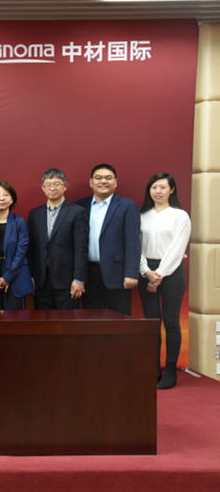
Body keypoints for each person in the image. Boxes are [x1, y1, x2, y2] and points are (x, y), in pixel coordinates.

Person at [138, 173, 191, 389]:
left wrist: (158, 274)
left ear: (172, 189)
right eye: (154, 187)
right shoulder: (142, 215)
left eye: (162, 187)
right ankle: (154, 369)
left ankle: (170, 371)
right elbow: (135, 246)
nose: (158, 191)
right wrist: (146, 272)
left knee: (171, 322)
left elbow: (177, 249)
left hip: (171, 271)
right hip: (145, 271)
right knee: (152, 322)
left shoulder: (180, 216)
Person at [75, 164, 141, 315]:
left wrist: (131, 273)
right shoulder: (80, 206)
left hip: (118, 273)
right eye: (98, 178)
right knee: (92, 318)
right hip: (89, 273)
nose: (103, 181)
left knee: (120, 319)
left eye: (108, 178)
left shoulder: (128, 206)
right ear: (91, 182)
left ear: (115, 182)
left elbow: (133, 243)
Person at [27, 168, 88, 310]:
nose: (52, 188)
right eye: (48, 185)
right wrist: (30, 276)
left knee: (67, 321)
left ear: (65, 186)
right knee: (42, 320)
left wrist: (79, 279)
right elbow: (31, 248)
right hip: (41, 280)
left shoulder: (77, 212)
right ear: (43, 188)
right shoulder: (35, 213)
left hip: (67, 280)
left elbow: (81, 248)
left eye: (57, 184)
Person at [0, 181, 34, 310]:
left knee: (14, 317)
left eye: (6, 195)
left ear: (12, 200)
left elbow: (21, 253)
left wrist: (7, 278)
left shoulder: (19, 222)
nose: (1, 198)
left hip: (14, 273)